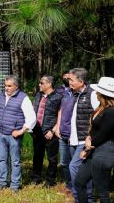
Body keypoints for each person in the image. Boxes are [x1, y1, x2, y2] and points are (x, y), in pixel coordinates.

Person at [57, 68, 99, 202]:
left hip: (84, 140)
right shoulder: (74, 94)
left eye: (72, 80)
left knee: (74, 167)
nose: (69, 82)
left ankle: (83, 198)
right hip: (73, 139)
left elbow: (99, 116)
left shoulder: (92, 94)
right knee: (82, 170)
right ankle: (84, 198)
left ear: (81, 81)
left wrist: (90, 137)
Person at [0, 75, 36, 192]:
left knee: (15, 161)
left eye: (9, 86)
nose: (6, 88)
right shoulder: (0, 96)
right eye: (5, 85)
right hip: (1, 134)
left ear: (16, 86)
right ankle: (2, 182)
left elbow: (31, 118)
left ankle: (15, 185)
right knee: (1, 159)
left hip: (14, 135)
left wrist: (21, 131)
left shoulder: (23, 98)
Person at [75, 77, 114, 203]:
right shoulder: (100, 108)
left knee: (102, 192)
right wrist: (88, 139)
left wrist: (88, 146)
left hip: (105, 150)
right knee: (79, 182)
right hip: (94, 149)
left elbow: (103, 133)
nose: (95, 93)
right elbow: (95, 130)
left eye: (98, 92)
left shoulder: (111, 112)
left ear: (103, 94)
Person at [30, 75, 62, 187]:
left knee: (52, 158)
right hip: (37, 130)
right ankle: (36, 177)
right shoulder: (38, 95)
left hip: (49, 131)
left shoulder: (58, 97)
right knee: (37, 155)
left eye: (42, 83)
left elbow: (60, 115)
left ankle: (50, 180)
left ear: (49, 84)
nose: (39, 85)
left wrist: (53, 130)